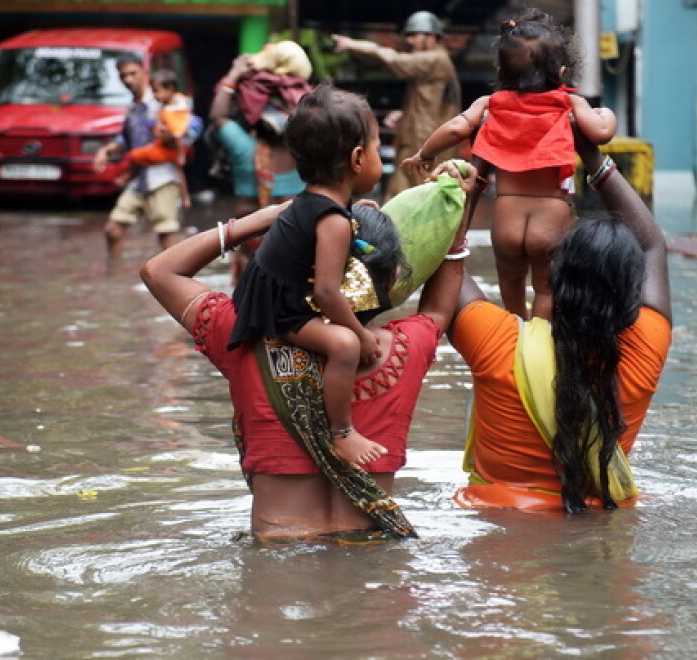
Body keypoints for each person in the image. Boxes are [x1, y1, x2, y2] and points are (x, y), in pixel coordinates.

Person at [140, 162, 477, 538]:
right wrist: (457, 218)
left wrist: (270, 217)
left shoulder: (242, 335)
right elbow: (438, 309)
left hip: (278, 565)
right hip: (372, 562)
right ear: (393, 279)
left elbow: (159, 272)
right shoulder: (404, 352)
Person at [449, 124, 671, 514]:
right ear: (632, 295)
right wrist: (593, 158)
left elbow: (445, 256)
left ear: (553, 278)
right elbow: (652, 244)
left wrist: (481, 165)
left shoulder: (494, 341)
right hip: (603, 541)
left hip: (497, 537)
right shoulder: (646, 348)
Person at [403, 8, 617, 320]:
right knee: (546, 288)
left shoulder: (490, 105)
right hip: (550, 213)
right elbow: (600, 134)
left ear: (502, 72)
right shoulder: (568, 103)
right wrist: (606, 114)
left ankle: (516, 330)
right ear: (560, 73)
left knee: (510, 280)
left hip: (506, 216)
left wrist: (424, 154)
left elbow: (455, 129)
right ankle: (539, 339)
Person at [226, 84, 391, 467]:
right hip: (281, 309)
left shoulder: (319, 203)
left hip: (271, 288)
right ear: (356, 158)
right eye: (377, 146)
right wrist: (362, 334)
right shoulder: (331, 219)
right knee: (345, 346)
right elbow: (329, 293)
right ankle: (342, 433)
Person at [332, 11, 461, 200]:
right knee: (400, 190)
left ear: (432, 37)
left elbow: (394, 60)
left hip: (423, 138)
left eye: (415, 35)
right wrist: (405, 114)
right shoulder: (432, 61)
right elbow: (429, 100)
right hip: (415, 135)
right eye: (409, 35)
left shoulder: (435, 59)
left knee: (422, 191)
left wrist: (352, 45)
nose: (410, 41)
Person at [207, 47, 309, 280]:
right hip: (296, 257)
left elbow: (217, 117)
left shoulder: (243, 149)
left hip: (252, 256)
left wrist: (233, 75)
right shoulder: (307, 153)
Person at [93, 54, 182, 259]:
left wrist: (173, 136)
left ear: (144, 72)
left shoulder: (161, 99)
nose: (129, 80)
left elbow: (189, 125)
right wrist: (106, 150)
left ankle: (176, 282)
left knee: (167, 237)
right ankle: (115, 276)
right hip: (138, 179)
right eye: (124, 76)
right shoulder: (133, 107)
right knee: (112, 230)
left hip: (162, 177)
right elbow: (126, 138)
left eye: (133, 74)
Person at [125, 69, 194, 208]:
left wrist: (180, 155)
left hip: (168, 150)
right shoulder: (172, 104)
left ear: (170, 89)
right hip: (161, 146)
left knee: (135, 156)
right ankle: (185, 198)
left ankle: (185, 198)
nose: (154, 95)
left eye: (156, 91)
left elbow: (178, 135)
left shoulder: (172, 111)